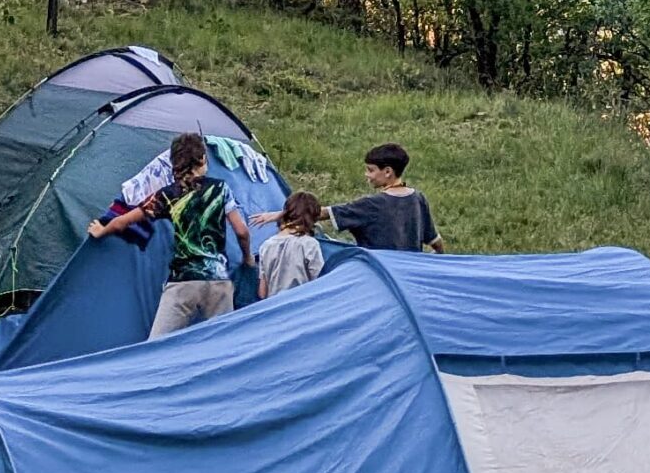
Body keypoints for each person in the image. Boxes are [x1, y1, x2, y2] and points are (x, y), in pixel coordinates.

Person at [87, 132, 252, 338]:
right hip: (217, 280)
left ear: (174, 163)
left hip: (183, 281)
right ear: (202, 159)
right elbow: (242, 231)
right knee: (222, 345)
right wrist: (247, 259)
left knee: (157, 344)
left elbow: (123, 222)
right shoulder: (220, 189)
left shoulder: (167, 195)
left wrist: (102, 230)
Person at [256, 142, 444, 253]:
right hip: (408, 275)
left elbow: (323, 213)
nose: (366, 175)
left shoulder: (372, 205)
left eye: (370, 170)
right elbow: (435, 240)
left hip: (381, 275)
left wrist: (281, 214)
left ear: (387, 172)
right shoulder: (417, 198)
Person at [255, 191, 327, 301]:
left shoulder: (266, 246)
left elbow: (262, 292)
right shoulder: (309, 244)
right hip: (301, 307)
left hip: (275, 308)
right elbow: (320, 283)